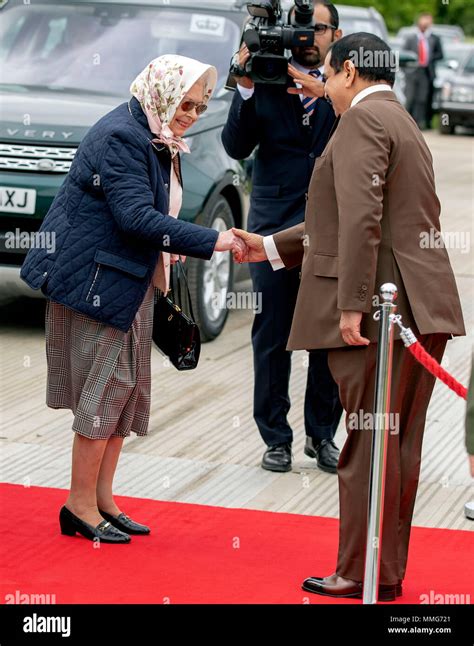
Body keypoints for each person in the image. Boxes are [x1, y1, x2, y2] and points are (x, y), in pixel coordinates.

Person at [232, 33, 465, 600]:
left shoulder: (362, 121)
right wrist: (265, 247)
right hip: (420, 302)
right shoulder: (402, 119)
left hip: (386, 307)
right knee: (396, 442)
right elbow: (349, 222)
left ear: (352, 72)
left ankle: (358, 573)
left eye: (330, 77)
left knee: (367, 443)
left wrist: (353, 304)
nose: (325, 88)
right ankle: (382, 572)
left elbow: (361, 219)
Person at [20, 55, 244, 544]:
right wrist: (213, 240)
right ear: (162, 91)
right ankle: (78, 506)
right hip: (95, 278)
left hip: (127, 276)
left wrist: (172, 245)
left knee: (123, 391)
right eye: (185, 103)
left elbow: (149, 216)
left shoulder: (155, 129)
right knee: (105, 390)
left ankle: (103, 500)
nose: (192, 114)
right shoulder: (124, 134)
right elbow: (134, 218)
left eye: (200, 105)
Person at [221, 0, 343, 474]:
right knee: (271, 333)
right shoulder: (269, 74)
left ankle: (322, 435)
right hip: (272, 222)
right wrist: (246, 87)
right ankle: (275, 438)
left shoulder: (348, 87)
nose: (308, 37)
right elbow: (236, 147)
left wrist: (326, 92)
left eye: (317, 28)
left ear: (336, 33)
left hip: (331, 224)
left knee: (326, 335)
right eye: (302, 27)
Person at [403, 13, 443, 130]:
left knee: (422, 98)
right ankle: (407, 121)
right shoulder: (411, 38)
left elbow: (440, 54)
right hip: (413, 71)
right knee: (410, 96)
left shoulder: (433, 38)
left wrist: (429, 60)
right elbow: (404, 53)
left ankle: (419, 122)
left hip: (426, 71)